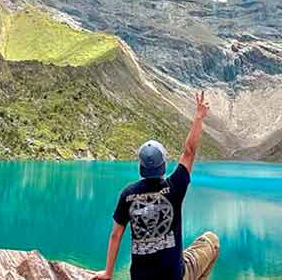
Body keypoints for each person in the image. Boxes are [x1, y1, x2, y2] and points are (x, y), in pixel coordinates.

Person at [91, 91, 220, 280]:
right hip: (175, 276)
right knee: (211, 240)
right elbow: (189, 152)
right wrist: (199, 116)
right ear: (164, 164)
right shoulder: (175, 187)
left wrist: (108, 273)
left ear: (140, 166)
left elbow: (115, 236)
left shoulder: (127, 194)